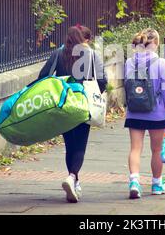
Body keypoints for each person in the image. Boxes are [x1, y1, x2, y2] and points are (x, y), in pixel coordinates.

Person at [38, 24, 107, 203]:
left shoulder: (58, 54)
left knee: (70, 144)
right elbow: (102, 80)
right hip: (83, 105)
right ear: (84, 39)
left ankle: (74, 181)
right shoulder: (91, 54)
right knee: (80, 145)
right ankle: (73, 177)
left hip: (64, 105)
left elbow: (43, 76)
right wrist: (94, 92)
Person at [124, 28, 165, 199]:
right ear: (156, 44)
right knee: (157, 150)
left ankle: (134, 182)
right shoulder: (161, 63)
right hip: (156, 112)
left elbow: (127, 86)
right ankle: (157, 184)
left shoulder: (129, 63)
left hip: (134, 111)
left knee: (135, 148)